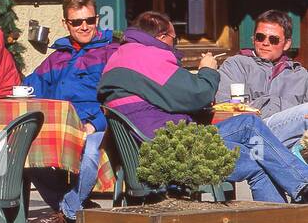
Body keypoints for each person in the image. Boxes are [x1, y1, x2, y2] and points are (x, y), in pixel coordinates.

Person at [99, 11, 308, 204]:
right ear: (162, 37)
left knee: (257, 152)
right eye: (175, 39)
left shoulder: (121, 57)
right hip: (175, 152)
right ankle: (298, 192)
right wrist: (207, 70)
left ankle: (282, 221)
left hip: (153, 149)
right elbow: (198, 94)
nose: (175, 46)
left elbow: (170, 100)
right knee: (253, 136)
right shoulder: (147, 58)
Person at [23, 0, 122, 223]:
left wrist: (95, 123)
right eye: (76, 22)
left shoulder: (112, 53)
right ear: (65, 23)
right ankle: (78, 210)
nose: (84, 26)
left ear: (97, 18)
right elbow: (31, 87)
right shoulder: (59, 57)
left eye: (89, 20)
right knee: (31, 156)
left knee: (88, 153)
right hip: (62, 126)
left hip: (97, 124)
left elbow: (120, 97)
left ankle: (66, 214)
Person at [217, 10, 308, 150]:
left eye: (273, 39)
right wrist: (274, 104)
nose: (265, 43)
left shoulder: (300, 75)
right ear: (253, 39)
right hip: (249, 133)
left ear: (287, 44)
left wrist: (257, 104)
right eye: (260, 37)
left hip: (288, 138)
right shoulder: (236, 64)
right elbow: (226, 107)